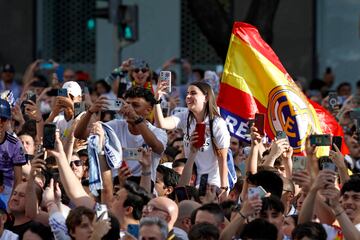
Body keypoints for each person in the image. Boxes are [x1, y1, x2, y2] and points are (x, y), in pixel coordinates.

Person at [75, 87, 167, 182]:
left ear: (148, 110)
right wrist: (90, 112)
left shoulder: (158, 133)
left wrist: (135, 118)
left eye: (135, 105)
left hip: (144, 189)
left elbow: (156, 146)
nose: (129, 109)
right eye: (127, 104)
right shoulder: (115, 125)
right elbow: (79, 134)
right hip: (116, 188)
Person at [154, 81, 230, 191]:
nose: (188, 96)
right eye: (187, 93)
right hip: (188, 181)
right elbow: (161, 124)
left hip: (209, 184)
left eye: (193, 93)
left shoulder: (217, 124)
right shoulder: (185, 117)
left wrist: (224, 188)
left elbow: (222, 159)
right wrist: (157, 100)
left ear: (206, 98)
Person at [0, 99, 26, 204]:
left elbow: (18, 180)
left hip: (8, 189)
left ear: (8, 121)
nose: (0, 123)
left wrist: (10, 204)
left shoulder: (15, 144)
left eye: (3, 119)